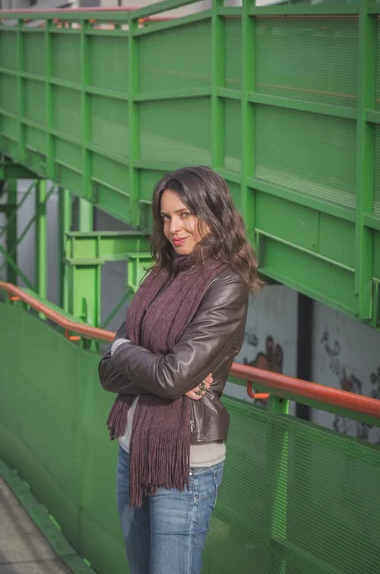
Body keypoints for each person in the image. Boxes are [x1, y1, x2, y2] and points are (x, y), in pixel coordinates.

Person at [98, 165, 260, 574]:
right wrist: (133, 355)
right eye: (167, 217)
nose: (175, 228)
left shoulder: (226, 286)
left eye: (186, 214)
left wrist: (129, 353)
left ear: (212, 211)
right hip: (132, 451)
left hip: (184, 463)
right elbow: (108, 370)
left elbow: (171, 377)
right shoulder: (159, 275)